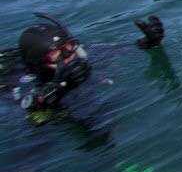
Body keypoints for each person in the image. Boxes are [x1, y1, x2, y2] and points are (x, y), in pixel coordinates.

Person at [1, 13, 164, 114]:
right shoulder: (19, 82)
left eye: (69, 47)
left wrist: (149, 43)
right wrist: (59, 88)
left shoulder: (83, 54)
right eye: (58, 56)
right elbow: (24, 111)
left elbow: (120, 50)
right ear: (38, 64)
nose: (70, 57)